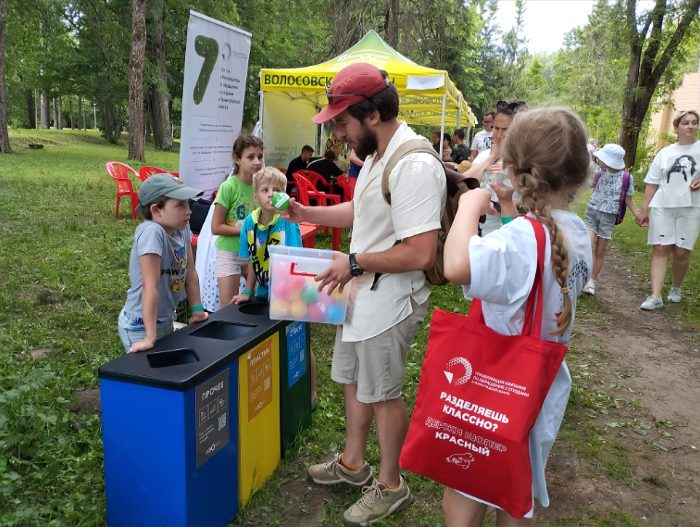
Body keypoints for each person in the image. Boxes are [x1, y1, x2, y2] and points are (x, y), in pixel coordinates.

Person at [282, 62, 446, 525]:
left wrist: (352, 263)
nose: (338, 132)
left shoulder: (413, 164)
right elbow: (360, 211)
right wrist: (298, 211)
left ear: (372, 114)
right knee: (356, 381)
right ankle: (354, 465)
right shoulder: (378, 153)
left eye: (342, 121)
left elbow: (419, 251)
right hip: (362, 295)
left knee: (383, 393)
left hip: (390, 301)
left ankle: (392, 485)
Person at [442, 107, 593, 526]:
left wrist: (469, 206)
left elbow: (456, 265)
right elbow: (532, 269)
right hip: (537, 388)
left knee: (466, 485)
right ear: (579, 175)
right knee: (515, 487)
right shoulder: (576, 233)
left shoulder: (520, 239)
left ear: (511, 166)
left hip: (491, 390)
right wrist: (510, 209)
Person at [233, 167, 318, 406]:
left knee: (300, 341)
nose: (271, 194)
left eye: (277, 190)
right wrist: (248, 291)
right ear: (256, 197)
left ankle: (310, 391)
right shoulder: (249, 223)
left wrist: (288, 299)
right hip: (262, 293)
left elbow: (295, 261)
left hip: (291, 296)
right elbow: (251, 259)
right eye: (265, 190)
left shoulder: (287, 224)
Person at [118, 174, 209, 353]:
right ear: (156, 210)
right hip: (140, 325)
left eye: (188, 203)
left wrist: (197, 310)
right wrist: (149, 337)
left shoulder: (182, 228)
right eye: (180, 205)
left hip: (165, 318)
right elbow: (149, 286)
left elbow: (190, 272)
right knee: (147, 377)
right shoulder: (152, 233)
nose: (189, 210)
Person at [638, 109, 700, 310]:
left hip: (690, 208)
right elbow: (652, 183)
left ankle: (675, 287)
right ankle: (655, 295)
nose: (690, 126)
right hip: (663, 206)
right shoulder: (665, 153)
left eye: (694, 122)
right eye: (686, 123)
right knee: (660, 248)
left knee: (681, 252)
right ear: (676, 127)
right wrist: (644, 209)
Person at [211, 133, 264, 308]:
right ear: (237, 159)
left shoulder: (262, 187)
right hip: (230, 252)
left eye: (260, 156)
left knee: (254, 303)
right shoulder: (229, 187)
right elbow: (216, 227)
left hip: (253, 253)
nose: (257, 161)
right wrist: (247, 230)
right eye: (250, 157)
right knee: (228, 308)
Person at [582, 143, 641, 295]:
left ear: (608, 161)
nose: (598, 160)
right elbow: (588, 185)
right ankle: (582, 277)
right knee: (588, 244)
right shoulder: (599, 172)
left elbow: (629, 199)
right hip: (593, 211)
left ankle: (591, 282)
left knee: (600, 251)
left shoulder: (626, 178)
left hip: (608, 217)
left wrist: (638, 215)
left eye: (601, 158)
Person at [460, 102, 520, 236]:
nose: (499, 135)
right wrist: (492, 157)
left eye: (505, 129)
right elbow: (463, 183)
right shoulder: (485, 156)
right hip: (481, 234)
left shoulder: (526, 163)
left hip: (510, 236)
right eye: (496, 128)